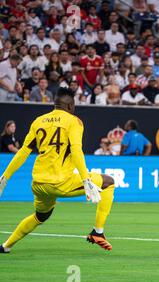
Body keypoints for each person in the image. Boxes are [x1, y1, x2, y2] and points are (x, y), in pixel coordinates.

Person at [0, 88, 115, 254]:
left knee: (40, 216)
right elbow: (76, 150)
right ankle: (97, 232)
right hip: (60, 182)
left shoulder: (38, 121)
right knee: (108, 182)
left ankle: (6, 246)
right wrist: (86, 179)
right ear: (70, 106)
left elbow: (23, 152)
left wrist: (5, 177)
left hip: (38, 183)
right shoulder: (74, 121)